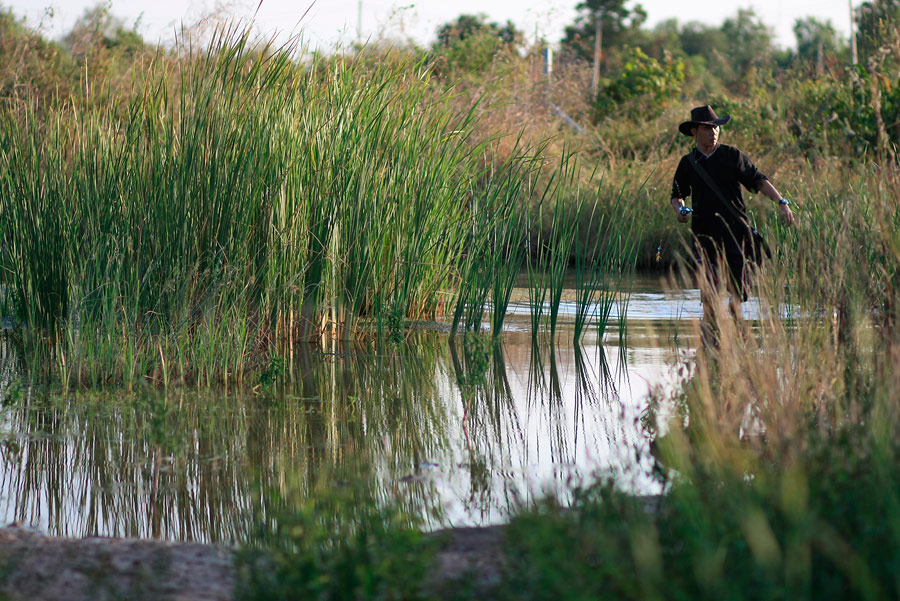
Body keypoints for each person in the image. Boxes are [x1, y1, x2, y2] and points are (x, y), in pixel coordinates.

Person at [670, 105, 795, 342]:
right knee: (709, 291)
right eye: (707, 128)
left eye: (716, 127)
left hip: (737, 234)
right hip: (704, 235)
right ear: (695, 131)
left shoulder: (732, 156)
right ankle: (710, 341)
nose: (713, 132)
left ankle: (732, 333)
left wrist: (782, 201)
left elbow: (759, 180)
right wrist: (680, 210)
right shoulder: (688, 163)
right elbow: (677, 195)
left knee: (740, 291)